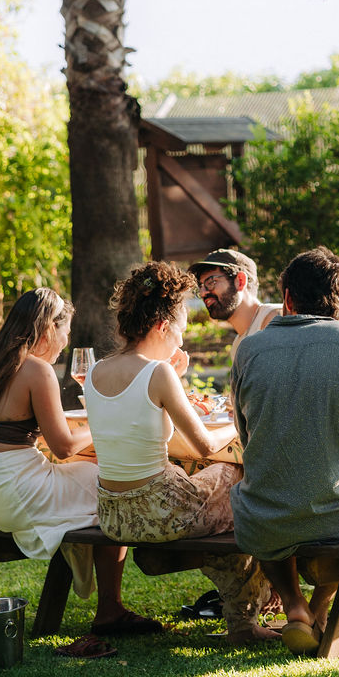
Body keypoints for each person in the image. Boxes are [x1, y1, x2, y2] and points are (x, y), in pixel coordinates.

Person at [83, 259, 277, 645]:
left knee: (225, 492)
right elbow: (205, 445)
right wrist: (241, 423)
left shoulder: (95, 371)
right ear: (161, 326)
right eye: (181, 331)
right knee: (240, 479)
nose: (182, 342)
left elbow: (137, 415)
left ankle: (256, 600)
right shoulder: (158, 374)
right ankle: (251, 614)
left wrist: (174, 375)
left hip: (114, 516)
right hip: (161, 513)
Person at [0, 287, 160, 637]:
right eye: (66, 332)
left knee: (93, 477)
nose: (66, 342)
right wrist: (104, 422)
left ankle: (108, 605)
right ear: (48, 329)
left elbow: (18, 435)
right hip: (20, 493)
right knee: (112, 487)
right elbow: (63, 447)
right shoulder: (36, 370)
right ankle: (110, 609)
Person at [230, 246, 339, 655]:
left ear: (287, 298)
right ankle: (320, 605)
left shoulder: (249, 349)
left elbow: (244, 434)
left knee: (263, 504)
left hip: (263, 517)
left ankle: (295, 606)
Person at [190, 248, 280, 359]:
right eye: (200, 287)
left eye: (211, 282)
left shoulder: (274, 318)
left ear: (240, 281)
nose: (203, 293)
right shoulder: (237, 346)